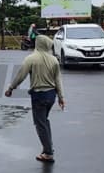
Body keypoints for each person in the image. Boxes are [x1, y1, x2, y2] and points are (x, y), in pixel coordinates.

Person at [5, 35, 65, 163]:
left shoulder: (31, 59)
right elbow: (58, 80)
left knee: (40, 124)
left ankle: (48, 153)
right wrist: (61, 97)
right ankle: (48, 148)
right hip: (51, 96)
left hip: (39, 96)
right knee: (44, 121)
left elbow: (21, 75)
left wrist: (11, 88)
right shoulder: (54, 60)